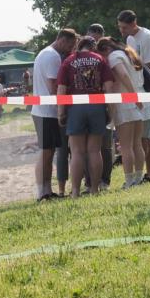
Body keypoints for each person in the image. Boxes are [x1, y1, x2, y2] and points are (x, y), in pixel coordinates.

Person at [57, 36, 115, 197]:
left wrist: (61, 112)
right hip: (97, 106)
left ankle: (75, 191)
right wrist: (111, 110)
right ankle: (95, 189)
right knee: (95, 151)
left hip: (75, 107)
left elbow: (61, 89)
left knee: (77, 152)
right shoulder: (100, 59)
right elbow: (109, 87)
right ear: (93, 46)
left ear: (78, 45)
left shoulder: (69, 61)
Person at [118, 10, 150, 182]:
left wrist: (145, 92)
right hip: (140, 92)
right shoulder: (130, 39)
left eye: (124, 27)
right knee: (140, 137)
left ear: (134, 23)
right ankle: (145, 172)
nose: (122, 31)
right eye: (120, 27)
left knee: (146, 136)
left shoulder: (147, 37)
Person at [31, 29, 78, 200]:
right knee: (46, 153)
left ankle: (47, 190)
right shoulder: (53, 57)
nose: (70, 50)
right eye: (70, 45)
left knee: (49, 152)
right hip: (47, 112)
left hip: (42, 110)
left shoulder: (45, 53)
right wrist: (62, 109)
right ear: (62, 41)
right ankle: (42, 192)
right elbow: (54, 87)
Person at [98, 37, 145, 189]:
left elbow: (123, 75)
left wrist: (133, 96)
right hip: (137, 104)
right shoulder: (126, 54)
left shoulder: (113, 57)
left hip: (125, 104)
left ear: (106, 50)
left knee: (126, 146)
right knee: (137, 144)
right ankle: (139, 177)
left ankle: (129, 181)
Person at [87, 23, 113, 187]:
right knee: (88, 146)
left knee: (105, 145)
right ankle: (89, 181)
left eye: (97, 41)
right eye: (92, 41)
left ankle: (104, 180)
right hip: (86, 104)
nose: (94, 45)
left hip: (103, 103)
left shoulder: (105, 57)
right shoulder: (81, 55)